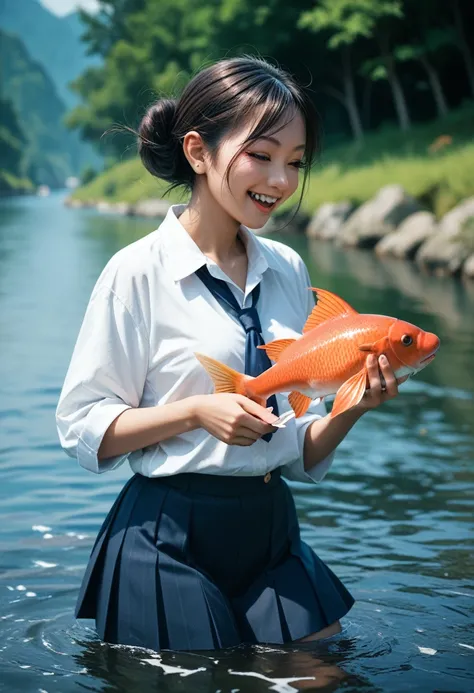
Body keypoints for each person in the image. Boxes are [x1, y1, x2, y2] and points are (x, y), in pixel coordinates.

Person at [56, 56, 405, 653]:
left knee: (321, 672)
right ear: (198, 151)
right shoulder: (136, 272)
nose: (281, 180)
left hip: (271, 526)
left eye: (296, 162)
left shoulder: (288, 269)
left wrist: (353, 406)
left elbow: (296, 451)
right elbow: (81, 426)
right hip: (167, 533)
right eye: (261, 156)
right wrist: (195, 413)